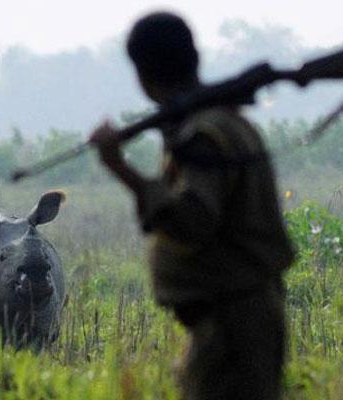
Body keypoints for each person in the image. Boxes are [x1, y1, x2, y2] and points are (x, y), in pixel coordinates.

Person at [88, 11, 295, 400]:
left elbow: (193, 222)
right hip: (240, 317)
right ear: (193, 57)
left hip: (231, 324)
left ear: (143, 75)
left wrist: (121, 168)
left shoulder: (203, 135)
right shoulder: (227, 124)